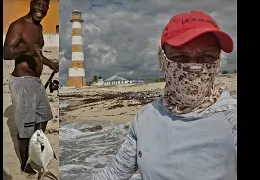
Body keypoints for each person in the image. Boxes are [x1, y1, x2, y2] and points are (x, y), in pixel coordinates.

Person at [89, 10, 237, 180]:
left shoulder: (232, 117)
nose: (195, 67)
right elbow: (114, 174)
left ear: (218, 61)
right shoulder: (144, 118)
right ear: (163, 60)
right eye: (181, 57)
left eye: (207, 57)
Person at [3, 0, 58, 178]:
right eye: (39, 4)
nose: (41, 9)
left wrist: (50, 64)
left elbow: (37, 52)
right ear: (31, 4)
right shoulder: (18, 25)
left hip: (36, 82)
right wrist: (26, 47)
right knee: (25, 129)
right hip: (22, 82)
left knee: (43, 117)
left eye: (45, 6)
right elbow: (6, 53)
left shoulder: (39, 28)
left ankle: (37, 153)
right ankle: (24, 164)